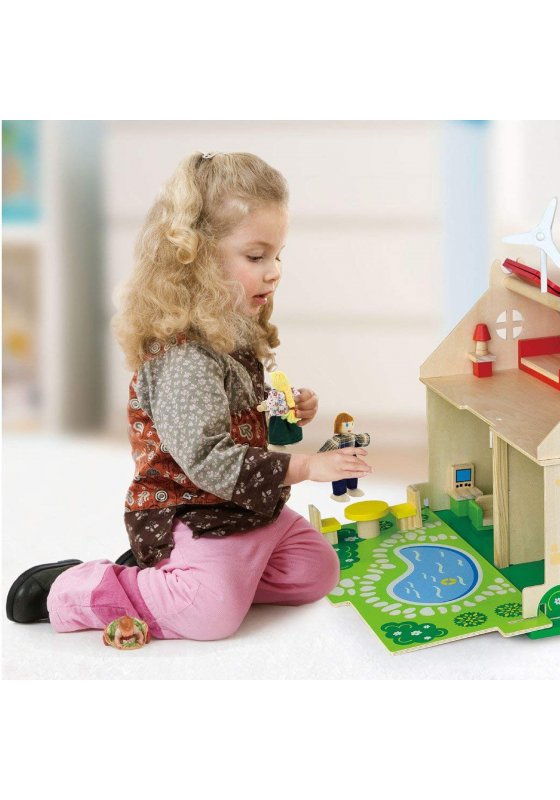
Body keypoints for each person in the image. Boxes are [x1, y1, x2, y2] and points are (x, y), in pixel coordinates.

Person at [5, 151, 371, 641]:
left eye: (278, 255)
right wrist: (305, 467)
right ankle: (81, 586)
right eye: (256, 257)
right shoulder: (183, 357)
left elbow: (236, 408)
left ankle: (181, 579)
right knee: (210, 617)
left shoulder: (229, 328)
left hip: (244, 508)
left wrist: (283, 406)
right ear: (197, 261)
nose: (274, 271)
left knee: (316, 571)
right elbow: (207, 457)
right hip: (192, 512)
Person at [317, 413, 370, 502]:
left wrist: (364, 438)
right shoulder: (336, 440)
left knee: (353, 474)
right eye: (346, 425)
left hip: (352, 460)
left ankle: (352, 488)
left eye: (352, 424)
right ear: (338, 425)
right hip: (339, 461)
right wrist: (320, 459)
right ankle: (338, 493)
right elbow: (325, 450)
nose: (350, 427)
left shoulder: (353, 437)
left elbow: (360, 442)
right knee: (339, 477)